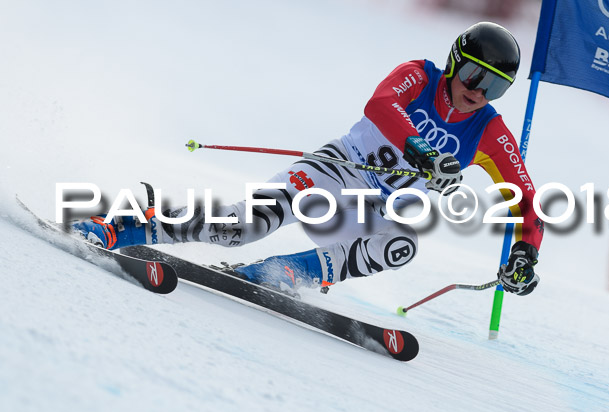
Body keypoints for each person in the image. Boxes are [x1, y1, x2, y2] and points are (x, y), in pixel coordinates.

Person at [73, 22, 544, 296]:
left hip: (375, 212)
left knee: (401, 246)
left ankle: (276, 275)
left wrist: (526, 252)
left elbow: (525, 197)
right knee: (245, 226)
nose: (477, 93)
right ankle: (126, 225)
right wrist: (422, 153)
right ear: (454, 61)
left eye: (495, 87)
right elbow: (380, 106)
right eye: (472, 76)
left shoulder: (489, 132)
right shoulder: (418, 76)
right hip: (338, 171)